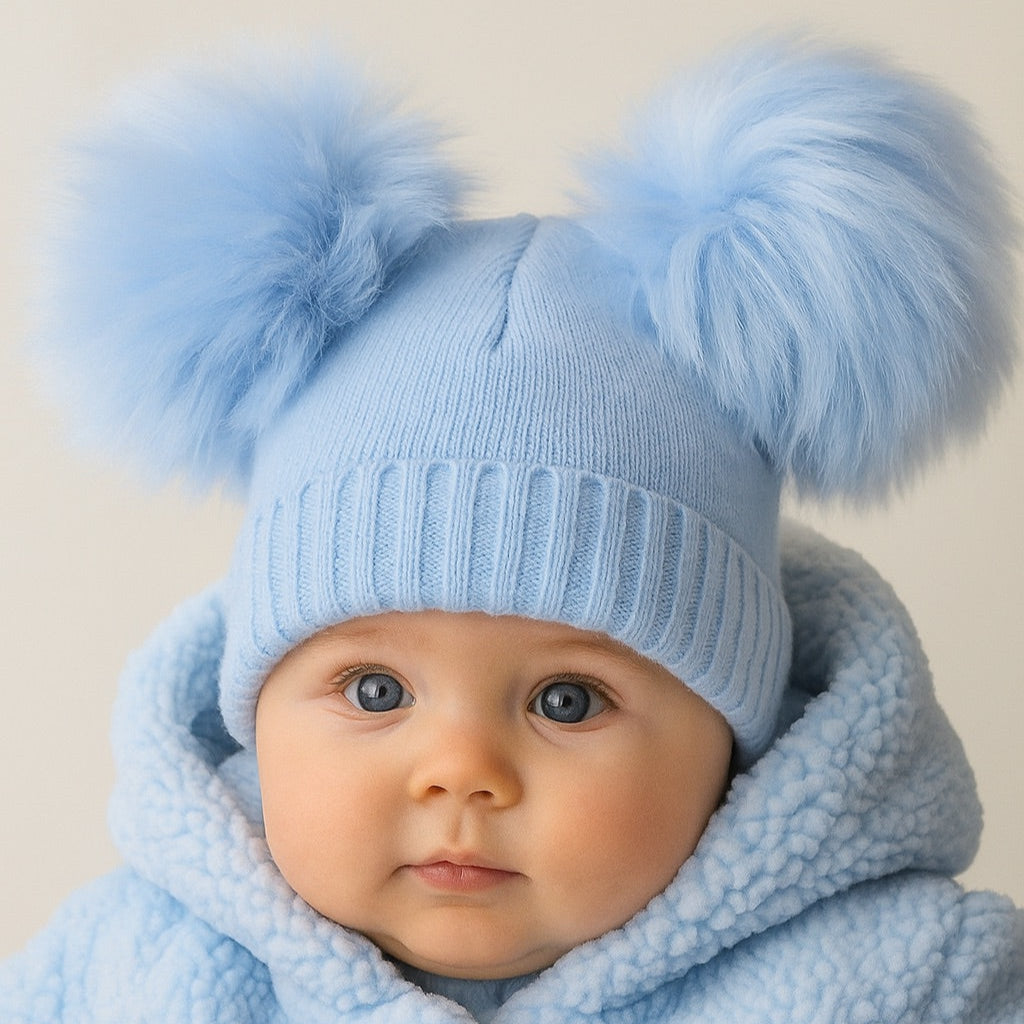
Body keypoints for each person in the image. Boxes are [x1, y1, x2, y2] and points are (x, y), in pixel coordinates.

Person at [1, 36, 1021, 1023]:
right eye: (374, 689)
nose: (460, 769)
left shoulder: (910, 983)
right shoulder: (122, 975)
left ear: (733, 744)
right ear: (255, 713)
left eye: (567, 699)